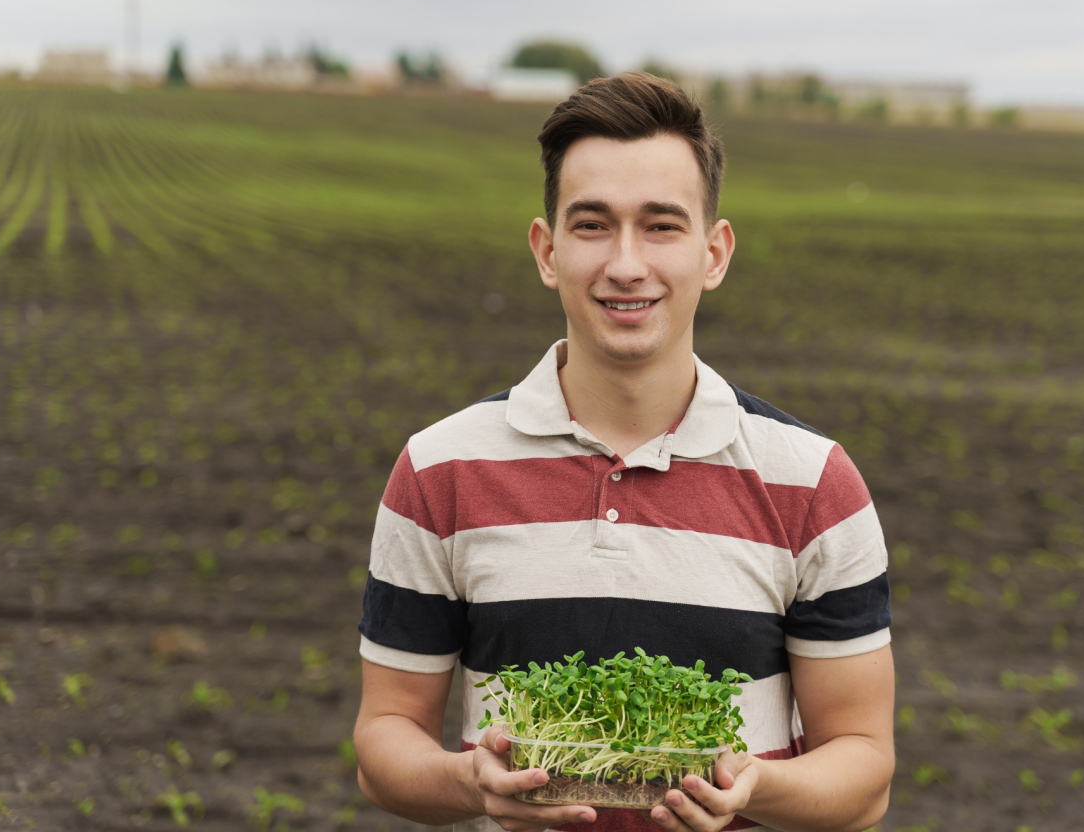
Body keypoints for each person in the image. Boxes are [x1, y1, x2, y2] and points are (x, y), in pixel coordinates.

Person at [353, 72, 895, 832]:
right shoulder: (440, 470)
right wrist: (463, 781)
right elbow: (383, 743)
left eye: (662, 226)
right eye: (593, 224)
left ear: (715, 253)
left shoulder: (812, 484)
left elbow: (865, 770)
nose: (627, 264)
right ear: (547, 251)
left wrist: (751, 791)